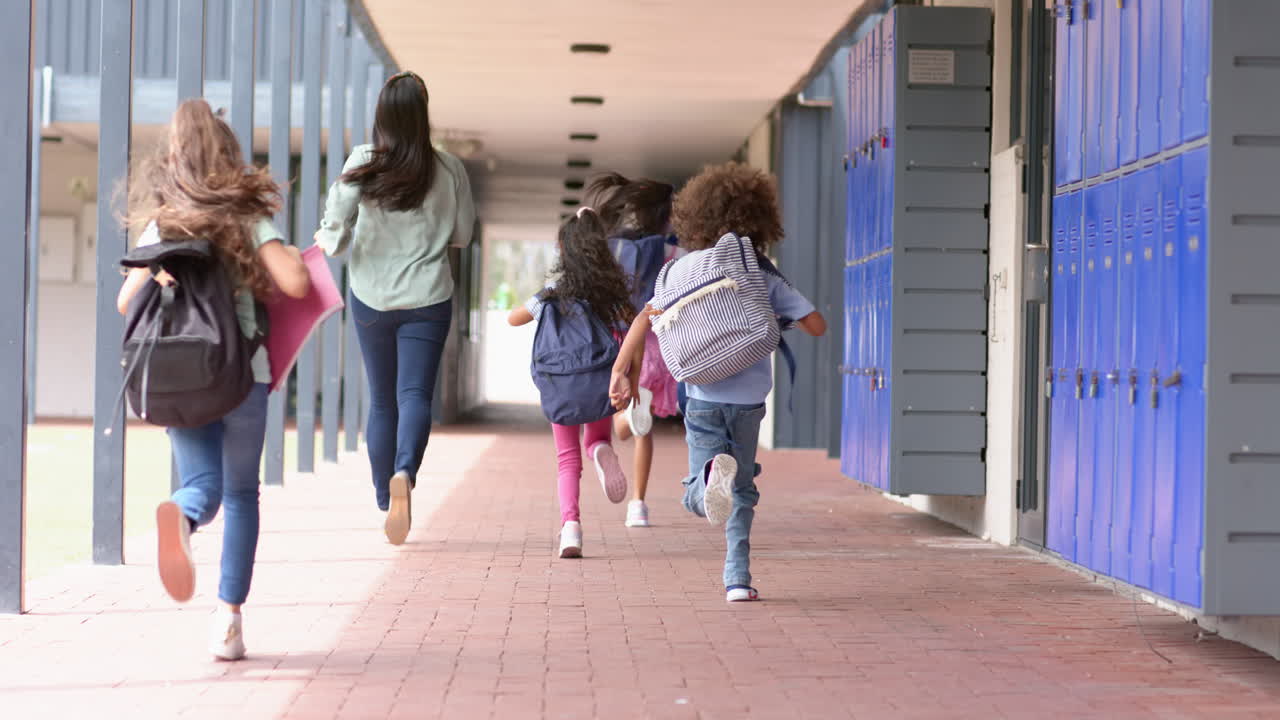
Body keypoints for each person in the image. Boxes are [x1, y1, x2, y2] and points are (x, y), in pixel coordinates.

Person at [117, 99, 311, 660]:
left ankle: (182, 514)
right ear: (228, 156)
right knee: (242, 493)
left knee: (202, 483)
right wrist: (289, 253)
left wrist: (162, 268)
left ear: (175, 158)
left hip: (180, 375)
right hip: (241, 375)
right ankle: (228, 622)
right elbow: (296, 284)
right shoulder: (246, 216)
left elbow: (125, 302)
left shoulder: (164, 221)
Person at [609, 162, 827, 603]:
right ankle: (737, 579)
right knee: (742, 490)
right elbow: (816, 325)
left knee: (700, 495)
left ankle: (708, 477)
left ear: (694, 217)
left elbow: (645, 318)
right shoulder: (757, 270)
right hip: (748, 401)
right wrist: (774, 314)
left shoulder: (679, 270)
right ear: (760, 219)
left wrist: (620, 368)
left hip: (702, 394)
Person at [314, 70, 475, 545]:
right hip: (429, 297)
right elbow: (462, 235)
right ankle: (405, 470)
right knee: (415, 396)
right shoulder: (449, 168)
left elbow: (336, 231)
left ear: (382, 115)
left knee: (382, 399)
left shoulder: (365, 161)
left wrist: (331, 235)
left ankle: (386, 496)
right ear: (422, 116)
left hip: (372, 298)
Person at [508, 209, 634, 558]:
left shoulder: (552, 293)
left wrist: (541, 299)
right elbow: (635, 323)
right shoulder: (610, 296)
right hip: (600, 379)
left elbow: (513, 319)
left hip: (561, 382)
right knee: (596, 438)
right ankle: (600, 450)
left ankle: (571, 528)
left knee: (567, 459)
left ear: (563, 250)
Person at [585, 173, 682, 528]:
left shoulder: (614, 247)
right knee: (645, 428)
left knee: (626, 419)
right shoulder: (672, 250)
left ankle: (626, 418)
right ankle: (638, 504)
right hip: (656, 344)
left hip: (618, 340)